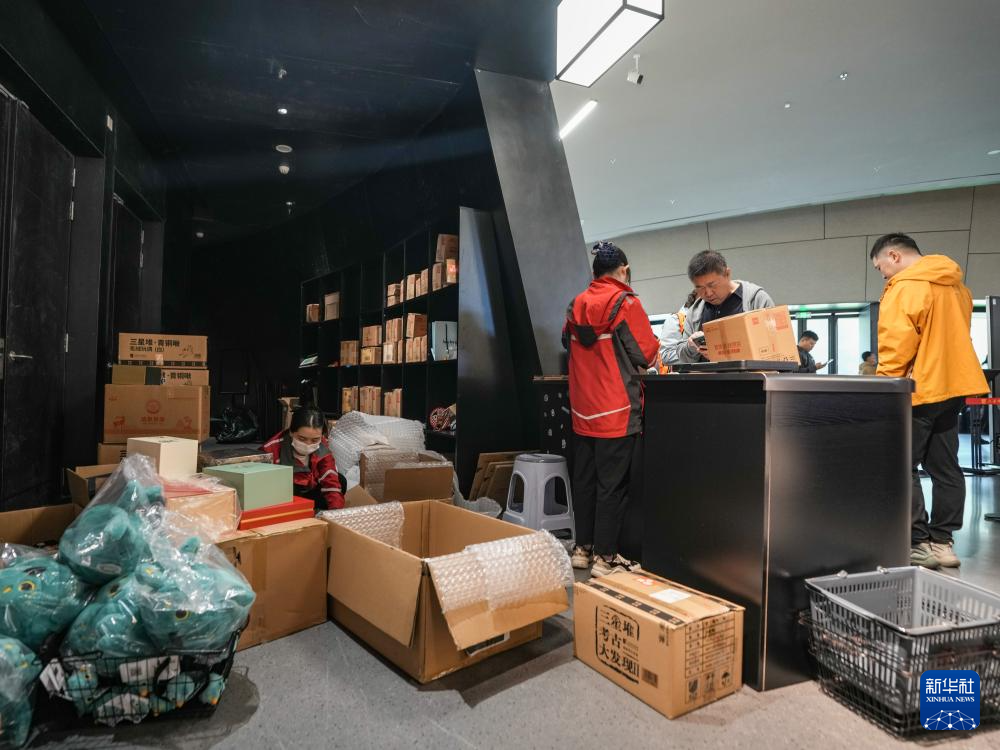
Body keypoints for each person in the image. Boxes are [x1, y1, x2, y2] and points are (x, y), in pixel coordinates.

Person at [871, 233, 988, 569]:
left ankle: (917, 543)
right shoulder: (957, 286)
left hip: (919, 389)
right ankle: (943, 543)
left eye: (881, 268)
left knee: (901, 466)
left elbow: (897, 343)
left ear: (894, 256)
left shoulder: (904, 287)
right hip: (954, 386)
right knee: (946, 467)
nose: (884, 275)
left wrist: (885, 387)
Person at [563, 241, 659, 577]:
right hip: (617, 409)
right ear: (623, 270)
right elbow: (646, 353)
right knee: (612, 487)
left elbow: (566, 343)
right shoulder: (626, 302)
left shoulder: (576, 304)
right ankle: (606, 558)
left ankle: (582, 549)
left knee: (585, 482)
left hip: (582, 409)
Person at [677, 250, 775, 362]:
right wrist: (691, 346)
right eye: (700, 288)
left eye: (712, 285)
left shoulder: (756, 300)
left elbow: (775, 344)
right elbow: (682, 356)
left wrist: (723, 354)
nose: (708, 293)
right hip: (707, 373)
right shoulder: (695, 311)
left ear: (727, 274)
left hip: (750, 373)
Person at [261, 406, 345, 510]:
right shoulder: (271, 450)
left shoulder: (322, 445)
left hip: (309, 490)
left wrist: (335, 512)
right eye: (302, 439)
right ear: (291, 432)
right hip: (284, 497)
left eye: (314, 440)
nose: (308, 444)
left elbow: (330, 478)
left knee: (340, 481)